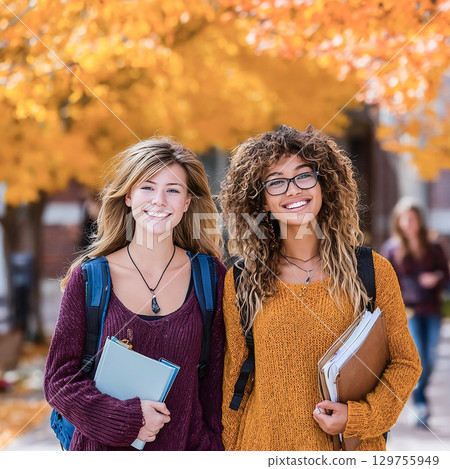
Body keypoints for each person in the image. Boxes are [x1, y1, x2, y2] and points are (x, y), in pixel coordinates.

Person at [219, 124, 421, 451]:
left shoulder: (371, 271)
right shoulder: (243, 280)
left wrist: (359, 418)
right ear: (261, 200)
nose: (293, 190)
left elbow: (404, 363)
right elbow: (233, 383)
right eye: (276, 182)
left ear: (323, 183)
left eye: (303, 175)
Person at [44, 137, 226, 450]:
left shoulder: (210, 277)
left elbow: (216, 383)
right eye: (147, 187)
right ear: (129, 196)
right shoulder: (90, 279)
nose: (159, 200)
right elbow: (59, 381)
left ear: (186, 202)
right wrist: (129, 420)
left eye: (173, 190)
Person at [382, 197, 449, 427]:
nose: (408, 223)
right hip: (407, 312)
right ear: (398, 222)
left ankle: (420, 396)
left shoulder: (434, 246)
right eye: (404, 218)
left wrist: (436, 278)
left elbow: (446, 277)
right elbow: (386, 283)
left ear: (419, 220)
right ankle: (420, 403)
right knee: (418, 356)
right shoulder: (391, 248)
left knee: (430, 358)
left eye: (412, 218)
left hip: (431, 309)